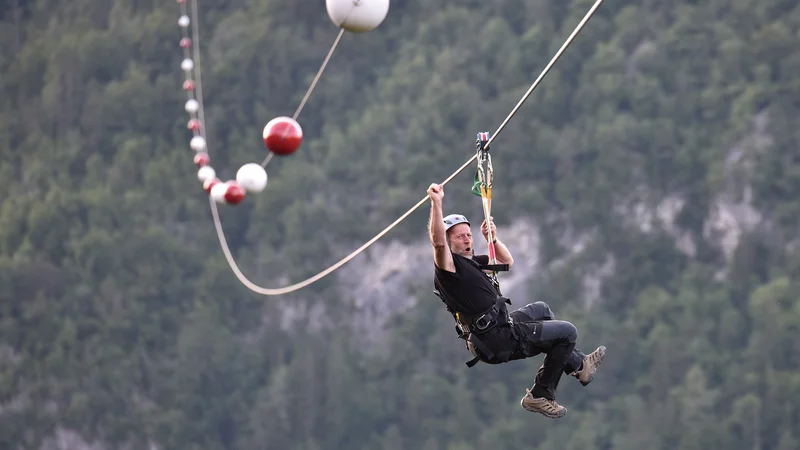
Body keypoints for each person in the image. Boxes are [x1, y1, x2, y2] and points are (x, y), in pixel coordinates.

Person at [427, 182, 606, 419]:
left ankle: (579, 365)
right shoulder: (448, 268)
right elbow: (438, 243)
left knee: (541, 309)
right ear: (450, 243)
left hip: (500, 326)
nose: (467, 240)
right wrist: (437, 203)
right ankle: (540, 394)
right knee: (567, 333)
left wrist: (492, 238)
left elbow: (507, 262)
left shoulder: (473, 262)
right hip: (495, 339)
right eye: (460, 237)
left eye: (468, 235)